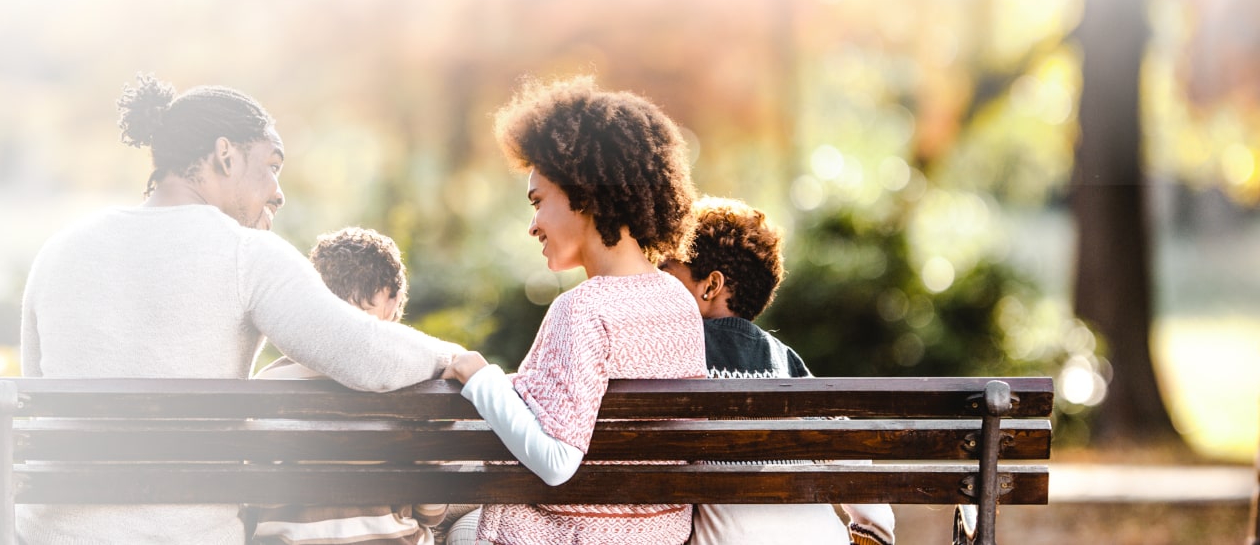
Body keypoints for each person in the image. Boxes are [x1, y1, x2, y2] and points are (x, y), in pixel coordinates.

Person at [18, 75, 464, 545]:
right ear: (225, 155)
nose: (279, 191)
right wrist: (453, 357)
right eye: (272, 165)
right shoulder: (246, 254)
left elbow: (36, 398)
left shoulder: (61, 249)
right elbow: (367, 357)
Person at [444, 77, 708, 545]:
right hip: (658, 534)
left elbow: (556, 460)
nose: (533, 225)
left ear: (583, 194)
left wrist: (481, 379)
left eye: (538, 201)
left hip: (574, 534)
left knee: (449, 525)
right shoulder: (676, 299)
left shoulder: (583, 309)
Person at [659, 196, 895, 545]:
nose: (656, 288)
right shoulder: (788, 365)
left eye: (666, 274)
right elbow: (848, 455)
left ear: (710, 285)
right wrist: (873, 533)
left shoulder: (672, 356)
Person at [247, 226, 449, 543]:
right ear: (392, 300)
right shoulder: (416, 382)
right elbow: (431, 510)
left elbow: (258, 497)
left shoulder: (271, 381)